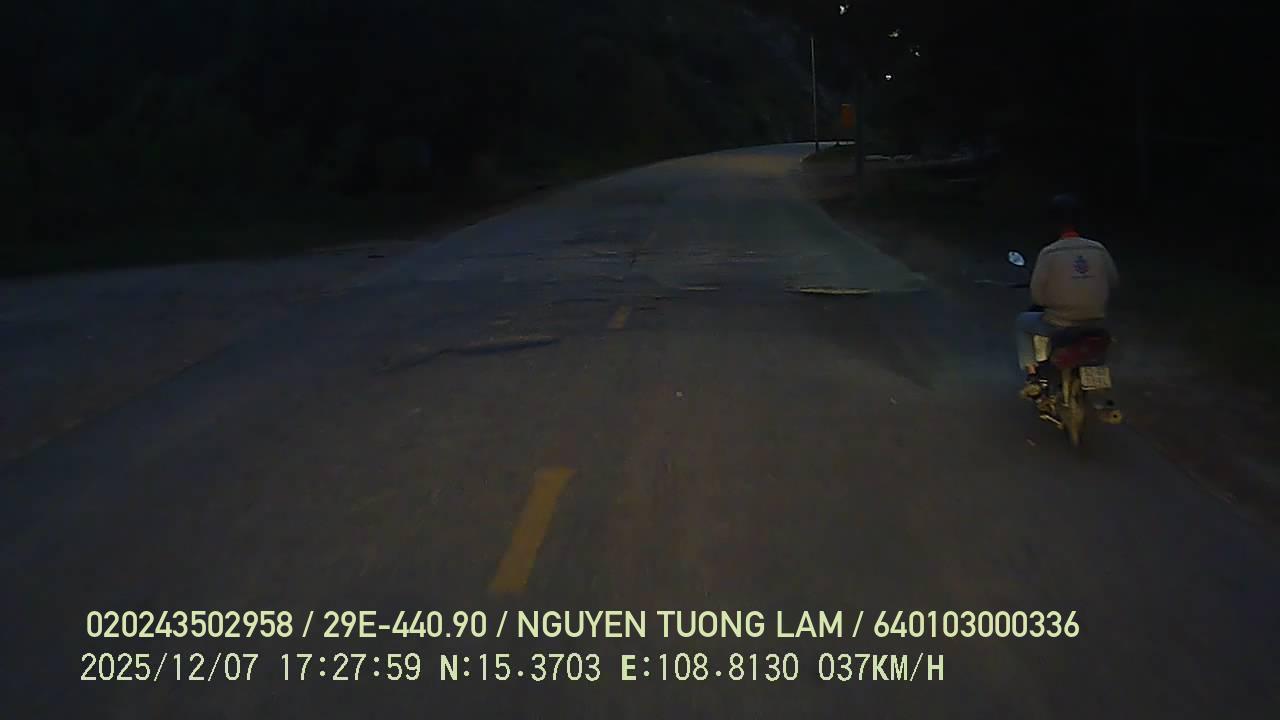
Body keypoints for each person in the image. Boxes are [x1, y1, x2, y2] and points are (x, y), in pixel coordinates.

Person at [1017, 194, 1119, 397]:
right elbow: (1113, 282)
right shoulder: (1098, 249)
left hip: (1060, 322)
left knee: (1022, 322)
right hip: (1095, 320)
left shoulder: (1049, 253)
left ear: (1052, 223)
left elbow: (1037, 298)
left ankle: (1034, 377)